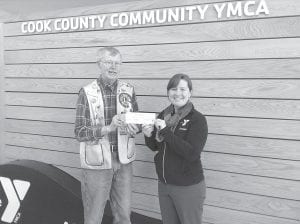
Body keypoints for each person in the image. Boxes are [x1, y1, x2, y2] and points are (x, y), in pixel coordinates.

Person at [74, 47, 140, 224]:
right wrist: (108, 128)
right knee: (93, 216)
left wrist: (137, 127)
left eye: (117, 63)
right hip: (97, 163)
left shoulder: (128, 90)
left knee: (124, 216)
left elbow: (136, 121)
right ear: (99, 64)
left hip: (123, 161)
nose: (113, 67)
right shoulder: (87, 92)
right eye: (109, 62)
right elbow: (79, 131)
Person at [142, 74, 208, 224]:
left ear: (190, 92)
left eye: (183, 89)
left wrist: (165, 131)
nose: (178, 93)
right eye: (173, 88)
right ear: (168, 92)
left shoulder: (197, 119)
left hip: (187, 186)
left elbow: (191, 153)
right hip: (164, 185)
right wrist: (148, 135)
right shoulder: (163, 115)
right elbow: (154, 147)